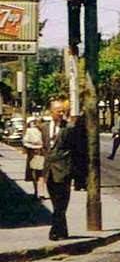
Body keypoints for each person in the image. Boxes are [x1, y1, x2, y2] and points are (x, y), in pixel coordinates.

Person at [43, 100, 75, 241]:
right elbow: (45, 149)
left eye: (63, 111)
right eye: (58, 111)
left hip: (63, 170)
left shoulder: (68, 128)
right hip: (49, 171)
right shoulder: (44, 128)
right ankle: (62, 231)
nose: (61, 113)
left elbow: (74, 147)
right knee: (56, 202)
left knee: (62, 202)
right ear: (51, 112)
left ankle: (54, 230)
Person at [22, 118, 45, 198]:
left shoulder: (45, 131)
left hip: (42, 154)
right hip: (34, 154)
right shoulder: (30, 131)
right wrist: (34, 146)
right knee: (36, 174)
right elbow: (25, 142)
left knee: (40, 174)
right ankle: (37, 192)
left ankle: (40, 192)